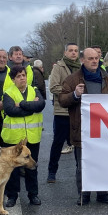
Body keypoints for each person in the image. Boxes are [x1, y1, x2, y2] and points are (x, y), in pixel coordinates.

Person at [60, 47, 108, 205]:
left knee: (103, 162)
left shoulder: (106, 78)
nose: (95, 61)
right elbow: (62, 100)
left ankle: (102, 193)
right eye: (90, 59)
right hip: (82, 129)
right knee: (83, 164)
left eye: (96, 58)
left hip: (103, 129)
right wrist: (75, 95)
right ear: (83, 60)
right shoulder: (72, 79)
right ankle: (84, 194)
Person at [2, 65, 45, 207]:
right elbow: (10, 110)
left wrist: (21, 104)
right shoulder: (8, 93)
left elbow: (41, 105)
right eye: (19, 76)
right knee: (12, 168)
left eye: (24, 75)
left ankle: (33, 194)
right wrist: (30, 107)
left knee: (31, 166)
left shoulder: (34, 90)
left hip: (32, 136)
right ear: (13, 79)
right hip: (14, 137)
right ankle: (12, 196)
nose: (22, 78)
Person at [47, 43, 82, 183]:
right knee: (58, 143)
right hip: (62, 110)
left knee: (79, 143)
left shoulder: (82, 67)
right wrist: (71, 93)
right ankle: (51, 171)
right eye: (71, 50)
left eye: (76, 51)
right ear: (65, 52)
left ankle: (80, 172)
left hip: (79, 111)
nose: (73, 53)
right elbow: (53, 87)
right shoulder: (58, 67)